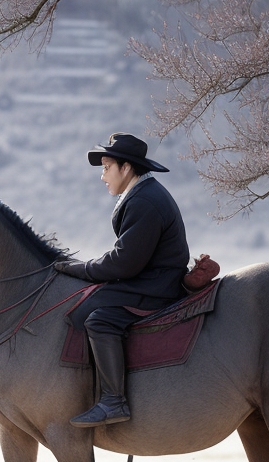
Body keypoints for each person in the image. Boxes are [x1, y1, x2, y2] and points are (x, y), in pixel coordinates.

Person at [54, 133, 189, 427]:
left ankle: (113, 401)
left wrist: (80, 268)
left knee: (95, 318)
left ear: (126, 168)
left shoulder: (145, 201)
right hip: (148, 279)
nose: (102, 176)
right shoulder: (143, 194)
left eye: (106, 167)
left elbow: (124, 262)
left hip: (155, 287)